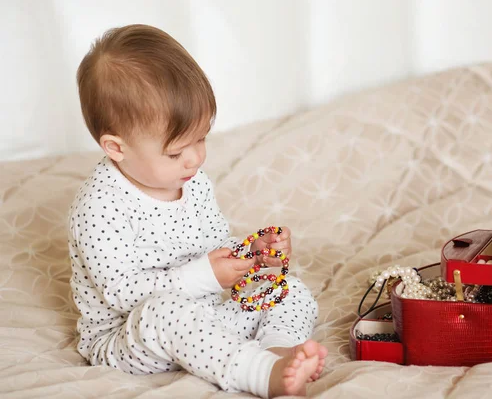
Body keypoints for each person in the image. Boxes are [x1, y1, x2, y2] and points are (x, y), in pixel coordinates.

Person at [68, 24, 327, 398]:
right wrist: (205, 276)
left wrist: (250, 256)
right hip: (133, 338)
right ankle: (260, 374)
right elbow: (122, 294)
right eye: (175, 151)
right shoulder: (99, 207)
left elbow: (212, 244)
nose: (195, 158)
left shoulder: (193, 181)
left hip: (207, 316)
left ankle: (278, 352)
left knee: (285, 287)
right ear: (116, 148)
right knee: (164, 312)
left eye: (201, 137)